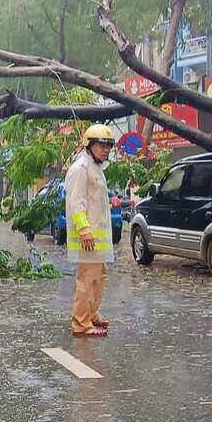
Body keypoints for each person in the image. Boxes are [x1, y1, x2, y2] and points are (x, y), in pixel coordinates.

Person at [65, 124, 116, 337]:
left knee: (98, 278)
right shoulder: (81, 169)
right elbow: (76, 202)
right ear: (89, 145)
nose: (105, 150)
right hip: (88, 238)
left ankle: (92, 315)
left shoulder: (95, 168)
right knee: (86, 281)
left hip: (98, 241)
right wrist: (84, 230)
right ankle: (81, 324)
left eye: (108, 146)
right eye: (101, 145)